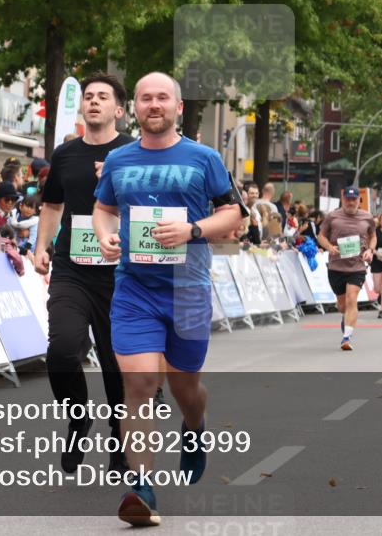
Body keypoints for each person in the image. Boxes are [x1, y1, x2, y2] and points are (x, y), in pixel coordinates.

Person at [92, 72, 242, 526]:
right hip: (134, 290)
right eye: (145, 98)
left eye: (162, 98)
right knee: (138, 384)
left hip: (188, 292)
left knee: (184, 387)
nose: (153, 104)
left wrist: (192, 230)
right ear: (134, 108)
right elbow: (104, 208)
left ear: (178, 107)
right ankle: (142, 488)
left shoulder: (204, 158)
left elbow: (233, 213)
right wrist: (105, 236)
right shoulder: (118, 160)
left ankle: (194, 427)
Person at [33, 73, 135, 476]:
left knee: (115, 362)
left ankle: (120, 440)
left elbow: (152, 204)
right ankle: (78, 418)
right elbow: (52, 205)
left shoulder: (133, 152)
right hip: (72, 268)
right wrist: (41, 246)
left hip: (120, 272)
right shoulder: (65, 154)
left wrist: (116, 179)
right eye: (89, 96)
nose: (93, 101)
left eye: (102, 97)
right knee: (62, 350)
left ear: (119, 110)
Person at [318, 187, 375, 351]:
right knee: (342, 305)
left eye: (354, 199)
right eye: (348, 199)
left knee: (352, 299)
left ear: (358, 200)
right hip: (336, 266)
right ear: (343, 199)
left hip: (357, 266)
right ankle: (345, 317)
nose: (351, 202)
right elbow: (321, 236)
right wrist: (329, 247)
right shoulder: (332, 216)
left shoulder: (367, 217)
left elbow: (373, 236)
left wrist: (370, 250)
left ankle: (346, 337)